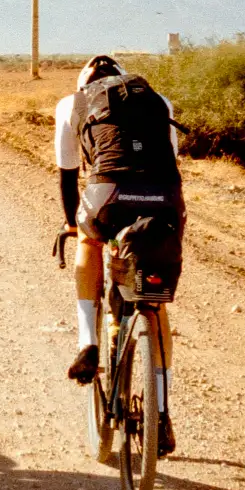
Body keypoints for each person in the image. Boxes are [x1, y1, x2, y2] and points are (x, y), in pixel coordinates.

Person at [54, 54, 185, 454]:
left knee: (89, 241)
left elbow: (68, 176)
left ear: (86, 82)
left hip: (107, 194)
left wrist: (73, 225)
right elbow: (171, 159)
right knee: (154, 300)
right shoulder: (159, 102)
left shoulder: (72, 103)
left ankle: (87, 341)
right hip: (164, 198)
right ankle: (160, 412)